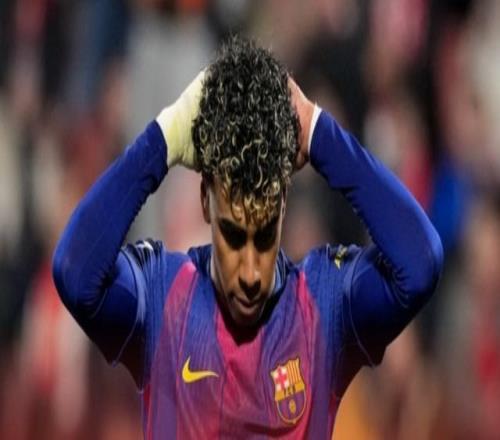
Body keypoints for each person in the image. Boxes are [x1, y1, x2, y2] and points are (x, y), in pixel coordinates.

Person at [52, 37, 443, 439]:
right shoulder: (160, 297)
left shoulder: (326, 305)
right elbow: (74, 273)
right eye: (234, 238)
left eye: (265, 237)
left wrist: (316, 131)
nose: (252, 273)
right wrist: (165, 136)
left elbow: (419, 264)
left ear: (284, 205)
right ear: (205, 201)